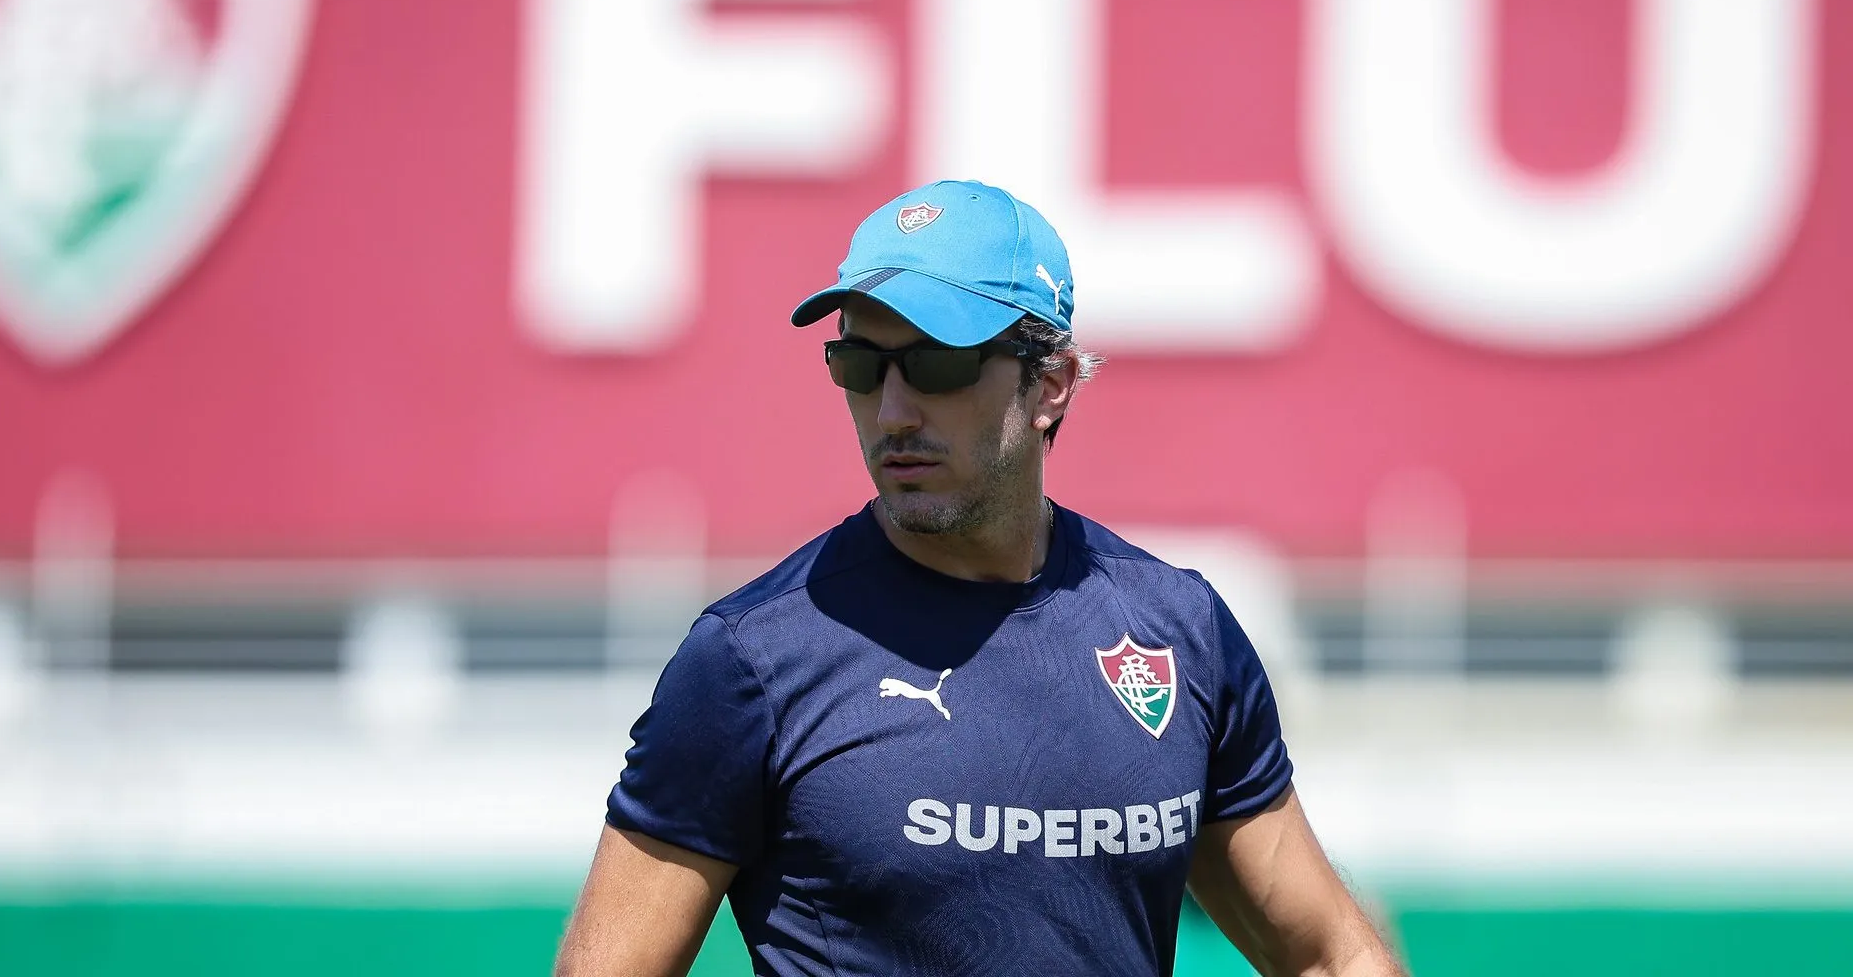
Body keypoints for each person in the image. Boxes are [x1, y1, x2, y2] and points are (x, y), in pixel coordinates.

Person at [555, 181, 1404, 977]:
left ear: (1053, 383)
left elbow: (1332, 954)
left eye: (937, 365)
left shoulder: (1181, 631)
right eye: (860, 366)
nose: (892, 411)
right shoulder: (750, 660)